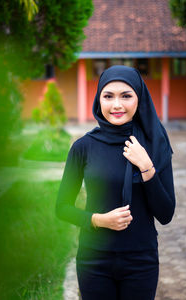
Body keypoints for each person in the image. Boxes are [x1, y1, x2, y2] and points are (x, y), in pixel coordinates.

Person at [56, 65, 176, 300]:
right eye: (108, 96)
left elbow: (166, 214)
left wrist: (147, 167)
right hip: (94, 260)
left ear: (138, 99)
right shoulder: (84, 147)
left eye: (126, 96)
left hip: (141, 261)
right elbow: (62, 208)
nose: (117, 105)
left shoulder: (154, 145)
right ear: (98, 99)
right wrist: (99, 220)